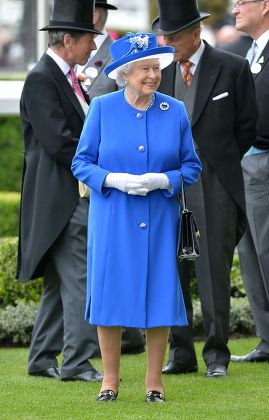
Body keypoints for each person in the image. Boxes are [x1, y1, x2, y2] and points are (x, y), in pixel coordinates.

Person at [71, 32, 202, 402]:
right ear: (125, 73)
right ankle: (109, 381)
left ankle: (154, 383)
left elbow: (192, 166)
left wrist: (165, 179)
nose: (153, 75)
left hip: (159, 219)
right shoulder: (102, 108)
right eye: (144, 68)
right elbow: (81, 163)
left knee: (159, 298)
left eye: (156, 67)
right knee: (110, 298)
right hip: (112, 217)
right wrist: (113, 179)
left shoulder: (173, 110)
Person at [152, 0, 258, 377]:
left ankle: (216, 357)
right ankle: (181, 355)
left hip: (215, 183)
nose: (168, 41)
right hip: (169, 187)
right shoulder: (160, 74)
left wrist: (216, 161)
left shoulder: (232, 67)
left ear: (195, 33)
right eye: (164, 34)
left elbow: (246, 126)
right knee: (172, 271)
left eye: (174, 35)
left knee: (213, 273)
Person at [16, 0, 104, 382]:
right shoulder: (42, 78)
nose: (94, 46)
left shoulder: (62, 77)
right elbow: (59, 142)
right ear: (68, 40)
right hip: (62, 198)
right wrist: (102, 170)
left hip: (63, 196)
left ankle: (41, 358)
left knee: (59, 280)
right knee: (80, 275)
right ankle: (77, 362)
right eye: (90, 39)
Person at [76, 0, 146, 357]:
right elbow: (82, 158)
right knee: (106, 269)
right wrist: (111, 179)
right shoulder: (81, 58)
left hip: (144, 191)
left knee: (138, 267)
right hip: (105, 185)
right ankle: (109, 366)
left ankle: (135, 337)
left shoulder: (115, 44)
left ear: (100, 14)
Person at [228, 0, 269, 364]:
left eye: (242, 2)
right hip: (243, 162)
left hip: (264, 161)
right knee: (250, 253)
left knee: (267, 250)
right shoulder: (248, 51)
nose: (235, 8)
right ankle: (267, 338)